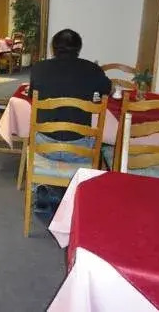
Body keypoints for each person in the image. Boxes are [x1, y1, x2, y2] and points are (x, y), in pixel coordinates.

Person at [29, 29, 112, 214]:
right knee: (102, 146)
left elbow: (32, 94)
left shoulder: (39, 68)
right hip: (79, 149)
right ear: (78, 48)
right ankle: (79, 191)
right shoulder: (92, 69)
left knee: (35, 135)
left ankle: (41, 186)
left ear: (54, 48)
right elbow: (108, 91)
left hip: (45, 148)